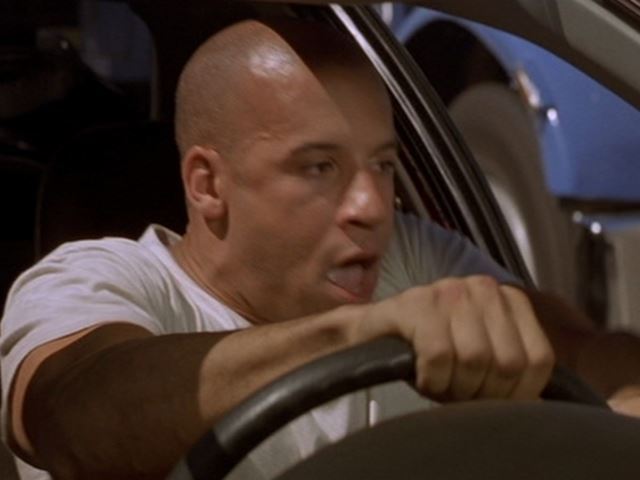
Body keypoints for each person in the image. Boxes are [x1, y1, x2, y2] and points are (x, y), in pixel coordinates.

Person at [1, 18, 639, 480]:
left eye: (382, 165)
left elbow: (577, 351)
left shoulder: (409, 257)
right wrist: (362, 335)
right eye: (319, 168)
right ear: (208, 185)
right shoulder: (93, 280)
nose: (373, 206)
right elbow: (73, 415)